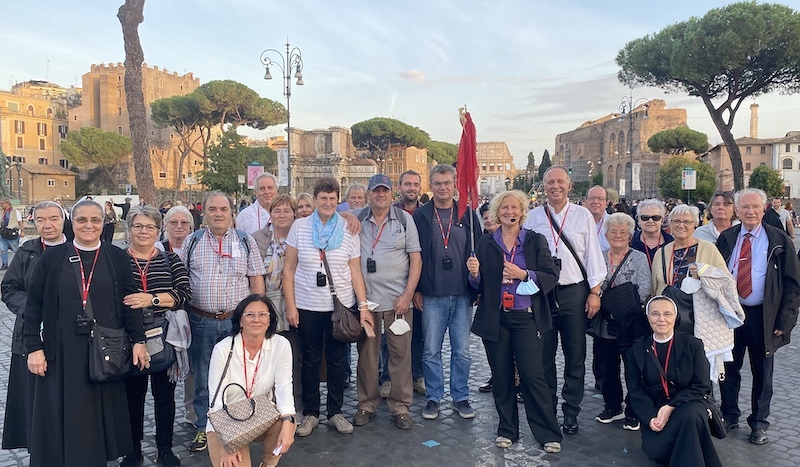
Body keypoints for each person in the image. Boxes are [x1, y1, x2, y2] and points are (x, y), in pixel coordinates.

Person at [23, 200, 149, 466]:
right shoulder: (52, 258)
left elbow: (130, 302)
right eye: (82, 220)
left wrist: (139, 340)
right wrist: (34, 348)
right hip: (61, 349)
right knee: (63, 410)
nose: (88, 225)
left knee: (97, 414)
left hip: (103, 348)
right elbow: (33, 306)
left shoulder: (117, 257)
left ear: (104, 223)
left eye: (95, 220)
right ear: (72, 223)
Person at [468, 190, 563, 453]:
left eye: (514, 208)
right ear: (497, 213)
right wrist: (474, 275)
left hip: (527, 318)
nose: (510, 212)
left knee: (533, 377)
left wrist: (524, 274)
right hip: (496, 317)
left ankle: (548, 433)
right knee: (502, 377)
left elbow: (550, 275)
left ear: (522, 212)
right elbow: (477, 286)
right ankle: (507, 429)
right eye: (504, 208)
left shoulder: (535, 240)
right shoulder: (486, 243)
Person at [283, 177, 372, 436]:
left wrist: (363, 306)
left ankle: (335, 412)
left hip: (340, 306)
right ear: (315, 199)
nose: (328, 203)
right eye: (323, 198)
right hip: (307, 304)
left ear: (337, 200)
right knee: (310, 360)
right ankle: (311, 413)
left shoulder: (348, 228)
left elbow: (355, 270)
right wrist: (291, 306)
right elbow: (289, 269)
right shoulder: (299, 227)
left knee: (336, 360)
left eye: (332, 198)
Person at [522, 166, 606, 435]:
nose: (555, 186)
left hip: (574, 292)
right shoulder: (533, 217)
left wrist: (594, 292)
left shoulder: (583, 215)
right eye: (550, 182)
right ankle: (548, 407)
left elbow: (593, 254)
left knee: (575, 353)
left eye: (560, 181)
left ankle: (571, 410)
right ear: (543, 186)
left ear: (569, 186)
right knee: (544, 354)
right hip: (543, 294)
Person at [181, 191, 266, 453]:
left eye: (223, 209)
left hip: (235, 322)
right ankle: (204, 428)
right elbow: (182, 279)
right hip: (201, 320)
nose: (218, 214)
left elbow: (256, 280)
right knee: (203, 377)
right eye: (212, 209)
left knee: (238, 375)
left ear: (232, 213)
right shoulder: (192, 241)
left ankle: (235, 426)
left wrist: (257, 316)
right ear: (204, 213)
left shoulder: (245, 241)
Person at [716, 188, 800, 445]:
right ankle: (729, 414)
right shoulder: (727, 238)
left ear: (764, 209)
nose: (750, 211)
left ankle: (759, 423)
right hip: (731, 316)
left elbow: (793, 283)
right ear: (737, 211)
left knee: (763, 373)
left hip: (764, 316)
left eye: (755, 207)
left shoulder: (778, 239)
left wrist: (785, 321)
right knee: (728, 368)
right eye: (745, 207)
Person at [118, 205, 192, 467]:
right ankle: (132, 450)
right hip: (128, 338)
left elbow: (184, 293)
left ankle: (165, 449)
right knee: (132, 397)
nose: (144, 231)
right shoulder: (117, 260)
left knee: (164, 396)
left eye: (150, 227)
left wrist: (152, 299)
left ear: (158, 230)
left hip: (163, 336)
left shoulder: (170, 260)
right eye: (138, 226)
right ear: (129, 229)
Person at [413, 164, 483, 421]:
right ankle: (433, 397)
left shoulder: (467, 214)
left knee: (461, 350)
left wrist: (478, 283)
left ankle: (460, 396)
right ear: (430, 186)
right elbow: (414, 255)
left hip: (462, 293)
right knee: (431, 350)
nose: (442, 188)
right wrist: (416, 289)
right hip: (432, 294)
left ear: (454, 185)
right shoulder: (421, 216)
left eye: (447, 183)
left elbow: (479, 252)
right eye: (437, 183)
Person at [352, 174, 422, 430]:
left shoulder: (404, 220)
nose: (380, 194)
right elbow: (334, 217)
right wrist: (346, 214)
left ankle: (400, 407)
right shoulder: (357, 217)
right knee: (367, 358)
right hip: (367, 303)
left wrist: (407, 295)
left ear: (392, 194)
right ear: (369, 194)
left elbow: (416, 260)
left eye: (385, 190)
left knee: (400, 356)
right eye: (376, 190)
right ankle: (367, 404)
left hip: (398, 303)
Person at [625, 295, 722, 467]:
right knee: (655, 452)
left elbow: (702, 385)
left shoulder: (693, 345)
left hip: (687, 404)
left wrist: (670, 406)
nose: (661, 319)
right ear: (647, 316)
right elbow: (635, 390)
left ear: (675, 317)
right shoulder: (636, 349)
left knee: (691, 415)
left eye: (667, 314)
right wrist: (650, 417)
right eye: (655, 314)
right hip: (656, 409)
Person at [1, 201, 66, 450]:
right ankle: (41, 447)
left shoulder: (76, 249)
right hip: (31, 334)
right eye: (41, 220)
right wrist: (34, 308)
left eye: (53, 219)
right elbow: (9, 288)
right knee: (36, 394)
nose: (47, 225)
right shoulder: (27, 252)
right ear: (34, 222)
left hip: (69, 335)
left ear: (63, 221)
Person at [206, 294, 296, 467]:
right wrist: (227, 443)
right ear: (240, 320)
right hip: (226, 421)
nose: (256, 320)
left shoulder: (281, 345)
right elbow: (215, 401)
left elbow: (284, 387)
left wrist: (288, 422)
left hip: (260, 413)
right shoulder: (223, 349)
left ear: (270, 320)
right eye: (250, 315)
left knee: (286, 423)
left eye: (262, 314)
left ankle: (268, 464)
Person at [592, 213, 651, 431]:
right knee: (607, 367)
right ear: (606, 235)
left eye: (623, 232)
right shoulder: (599, 256)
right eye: (613, 232)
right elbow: (592, 284)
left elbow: (645, 288)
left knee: (633, 369)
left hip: (631, 322)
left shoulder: (639, 258)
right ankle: (612, 406)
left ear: (630, 235)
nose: (618, 235)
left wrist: (622, 306)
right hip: (606, 322)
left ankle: (633, 411)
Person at [251, 194, 303, 412]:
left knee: (293, 358)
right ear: (270, 214)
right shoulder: (257, 238)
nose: (282, 215)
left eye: (286, 211)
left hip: (295, 304)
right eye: (277, 211)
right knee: (266, 360)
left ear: (294, 214)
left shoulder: (301, 236)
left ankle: (294, 407)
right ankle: (266, 408)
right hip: (267, 303)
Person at [387, 170, 426, 396]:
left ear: (420, 188)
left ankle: (417, 374)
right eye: (407, 184)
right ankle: (387, 377)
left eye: (415, 184)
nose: (411, 188)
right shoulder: (390, 211)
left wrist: (418, 289)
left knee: (418, 333)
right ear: (399, 187)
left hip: (417, 283)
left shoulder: (427, 213)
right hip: (393, 283)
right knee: (388, 335)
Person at [160, 204, 197, 428]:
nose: (179, 227)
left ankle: (192, 410)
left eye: (184, 223)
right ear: (165, 226)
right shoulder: (158, 249)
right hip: (167, 316)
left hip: (194, 312)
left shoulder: (197, 246)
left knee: (193, 366)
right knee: (169, 366)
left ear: (191, 227)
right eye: (173, 223)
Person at [630, 199, 673, 268]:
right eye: (645, 218)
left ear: (662, 220)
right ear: (638, 220)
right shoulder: (629, 242)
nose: (650, 221)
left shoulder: (672, 243)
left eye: (655, 218)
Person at [0, 197, 25, 269]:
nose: (1, 205)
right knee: (2, 249)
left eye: (2, 203)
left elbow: (20, 223)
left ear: (7, 203)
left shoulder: (15, 211)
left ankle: (21, 262)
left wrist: (22, 231)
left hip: (12, 233)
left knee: (15, 249)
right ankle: (5, 263)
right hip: (3, 233)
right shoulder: (1, 212)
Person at [585, 186, 610, 252]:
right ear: (585, 201)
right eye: (592, 198)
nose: (595, 201)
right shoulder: (576, 222)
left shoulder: (614, 223)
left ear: (607, 202)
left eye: (600, 199)